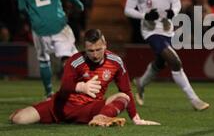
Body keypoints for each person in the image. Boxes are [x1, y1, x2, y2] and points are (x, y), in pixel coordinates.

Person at [9, 28, 159, 127]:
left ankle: (101, 118)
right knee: (19, 120)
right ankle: (18, 113)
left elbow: (126, 90)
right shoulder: (75, 60)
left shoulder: (116, 62)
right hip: (60, 107)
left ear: (105, 45)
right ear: (84, 48)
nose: (94, 54)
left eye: (98, 49)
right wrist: (81, 87)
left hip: (89, 110)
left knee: (123, 97)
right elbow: (65, 85)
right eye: (90, 50)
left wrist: (135, 118)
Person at [124, 0, 209, 111]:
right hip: (150, 31)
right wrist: (145, 15)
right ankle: (195, 100)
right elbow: (128, 10)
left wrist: (173, 13)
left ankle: (141, 83)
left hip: (167, 28)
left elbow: (176, 3)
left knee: (160, 62)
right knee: (175, 62)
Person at [15, 0, 84, 99]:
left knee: (43, 60)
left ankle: (48, 93)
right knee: (69, 57)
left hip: (38, 26)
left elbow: (20, 6)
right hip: (57, 22)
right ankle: (75, 90)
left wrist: (32, 16)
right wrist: (79, 4)